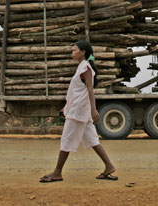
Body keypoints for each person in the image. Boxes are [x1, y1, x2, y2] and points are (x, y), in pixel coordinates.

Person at [40, 40, 117, 183]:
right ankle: (109, 166)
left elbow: (90, 89)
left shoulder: (85, 67)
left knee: (67, 139)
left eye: (75, 50)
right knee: (92, 139)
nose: (72, 52)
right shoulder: (82, 66)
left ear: (83, 52)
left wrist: (94, 110)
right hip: (81, 109)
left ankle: (57, 172)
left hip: (79, 110)